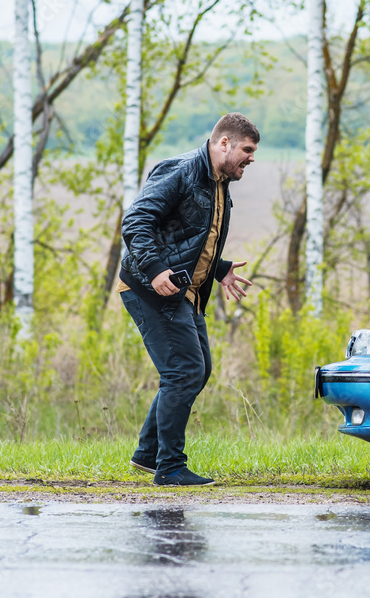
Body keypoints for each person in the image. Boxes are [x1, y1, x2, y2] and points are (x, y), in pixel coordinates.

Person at [118, 113, 259, 486]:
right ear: (223, 143)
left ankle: (148, 454)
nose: (251, 158)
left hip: (185, 289)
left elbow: (190, 235)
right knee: (183, 372)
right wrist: (154, 269)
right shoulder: (180, 171)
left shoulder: (218, 181)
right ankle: (170, 467)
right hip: (151, 286)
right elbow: (136, 221)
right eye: (247, 149)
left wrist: (219, 267)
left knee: (198, 370)